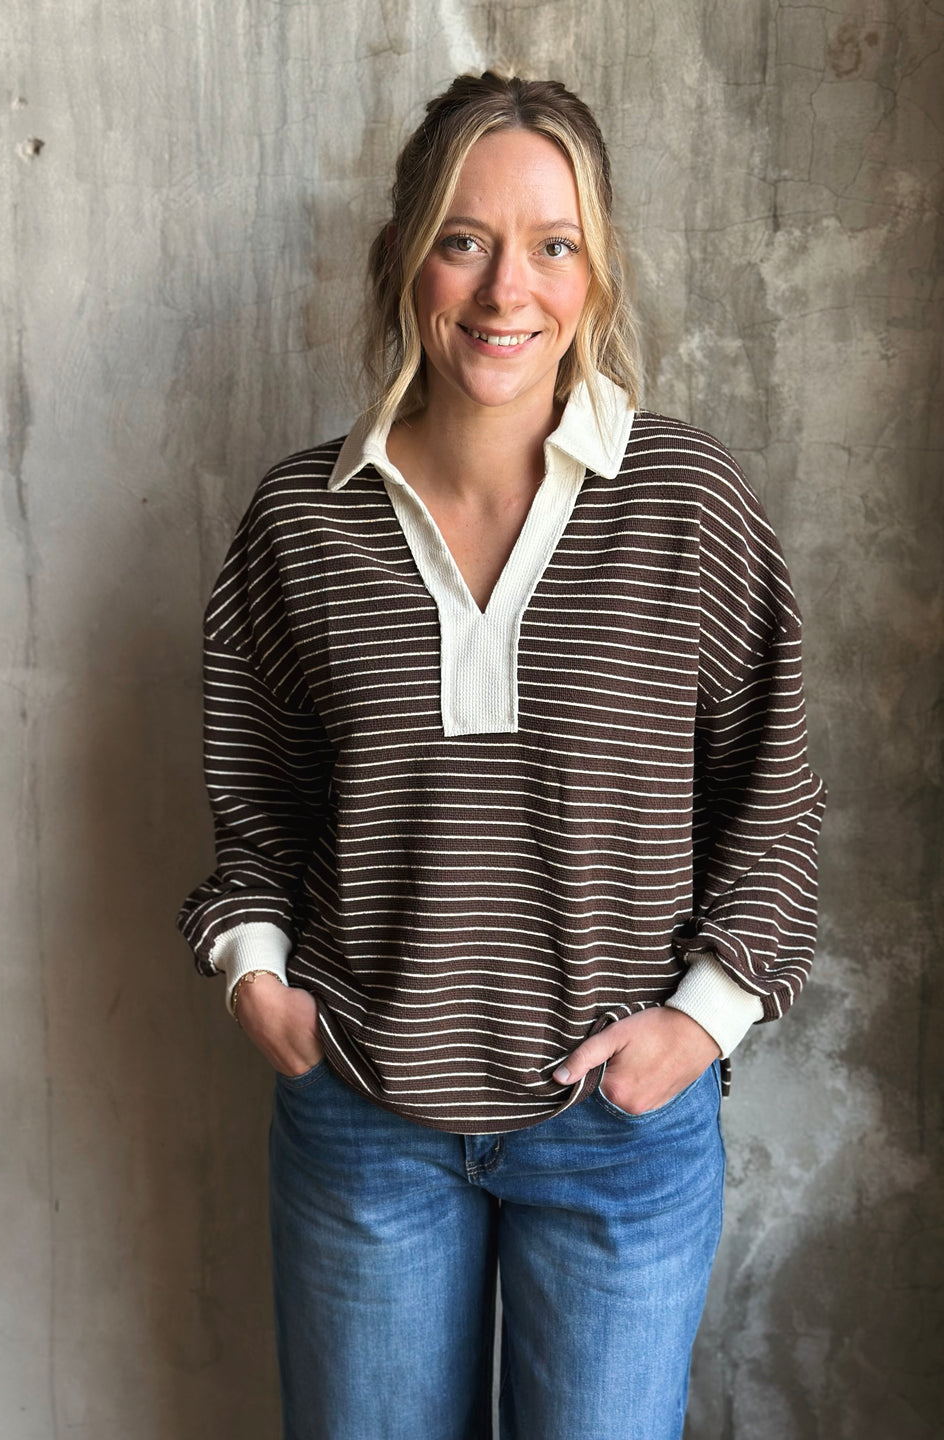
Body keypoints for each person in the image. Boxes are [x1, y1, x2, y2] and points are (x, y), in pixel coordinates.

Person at [177, 71, 826, 1440]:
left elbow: (774, 796)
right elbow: (258, 803)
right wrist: (256, 979)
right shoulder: (304, 518)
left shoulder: (687, 503)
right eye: (465, 240)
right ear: (407, 256)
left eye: (553, 244)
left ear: (595, 274)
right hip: (364, 1124)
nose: (503, 291)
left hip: (617, 1139)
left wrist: (700, 1024)